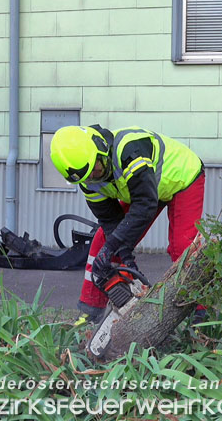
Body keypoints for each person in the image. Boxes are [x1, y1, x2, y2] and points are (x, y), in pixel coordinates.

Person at [50, 125, 206, 324]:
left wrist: (116, 247)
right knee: (102, 242)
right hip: (144, 191)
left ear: (100, 150)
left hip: (182, 177)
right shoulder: (87, 178)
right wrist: (124, 255)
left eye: (96, 171)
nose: (94, 178)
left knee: (183, 247)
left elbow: (145, 206)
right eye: (88, 177)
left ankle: (200, 312)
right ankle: (91, 311)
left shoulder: (130, 150)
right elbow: (110, 220)